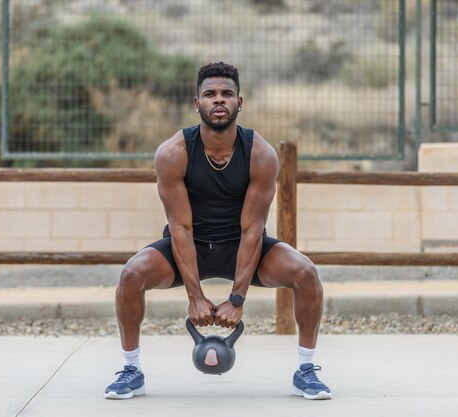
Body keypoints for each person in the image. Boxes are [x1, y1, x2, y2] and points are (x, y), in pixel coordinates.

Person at [104, 62, 331, 400]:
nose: (219, 100)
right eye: (210, 94)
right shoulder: (173, 153)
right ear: (197, 103)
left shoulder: (260, 154)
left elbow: (252, 228)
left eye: (226, 94)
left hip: (242, 246)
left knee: (306, 272)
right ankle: (131, 369)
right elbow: (180, 227)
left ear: (240, 102)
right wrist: (195, 296)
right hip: (188, 245)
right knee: (131, 274)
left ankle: (306, 370)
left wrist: (237, 299)